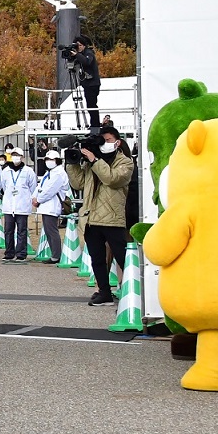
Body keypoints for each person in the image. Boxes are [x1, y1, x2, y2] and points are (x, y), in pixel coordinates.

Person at [67, 125, 134, 306]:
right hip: (91, 218)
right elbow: (78, 183)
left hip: (112, 219)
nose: (104, 144)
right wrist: (72, 163)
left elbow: (112, 179)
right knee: (97, 259)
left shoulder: (125, 162)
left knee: (122, 257)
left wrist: (95, 159)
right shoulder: (92, 163)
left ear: (117, 142)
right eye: (101, 140)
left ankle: (132, 292)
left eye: (108, 140)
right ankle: (104, 292)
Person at [33, 149, 70, 264]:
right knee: (49, 230)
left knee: (52, 230)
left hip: (52, 205)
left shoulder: (58, 173)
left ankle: (56, 255)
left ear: (57, 160)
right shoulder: (50, 172)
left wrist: (38, 199)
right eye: (47, 159)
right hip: (46, 206)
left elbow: (50, 190)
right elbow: (41, 186)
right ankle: (54, 253)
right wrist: (34, 197)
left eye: (51, 159)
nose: (48, 161)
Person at [0, 147, 36, 262]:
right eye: (14, 155)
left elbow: (33, 187)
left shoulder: (28, 171)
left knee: (22, 230)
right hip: (9, 206)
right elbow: (3, 186)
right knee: (8, 230)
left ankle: (21, 253)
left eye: (18, 155)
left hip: (22, 205)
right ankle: (9, 252)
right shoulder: (5, 171)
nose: (16, 157)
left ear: (22, 157)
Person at [63, 34, 101, 130]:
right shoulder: (80, 55)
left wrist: (77, 55)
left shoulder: (89, 53)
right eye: (76, 45)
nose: (78, 47)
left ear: (84, 45)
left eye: (79, 45)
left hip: (92, 84)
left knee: (91, 105)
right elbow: (74, 63)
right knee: (90, 105)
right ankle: (94, 125)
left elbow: (87, 61)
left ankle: (95, 125)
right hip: (86, 84)